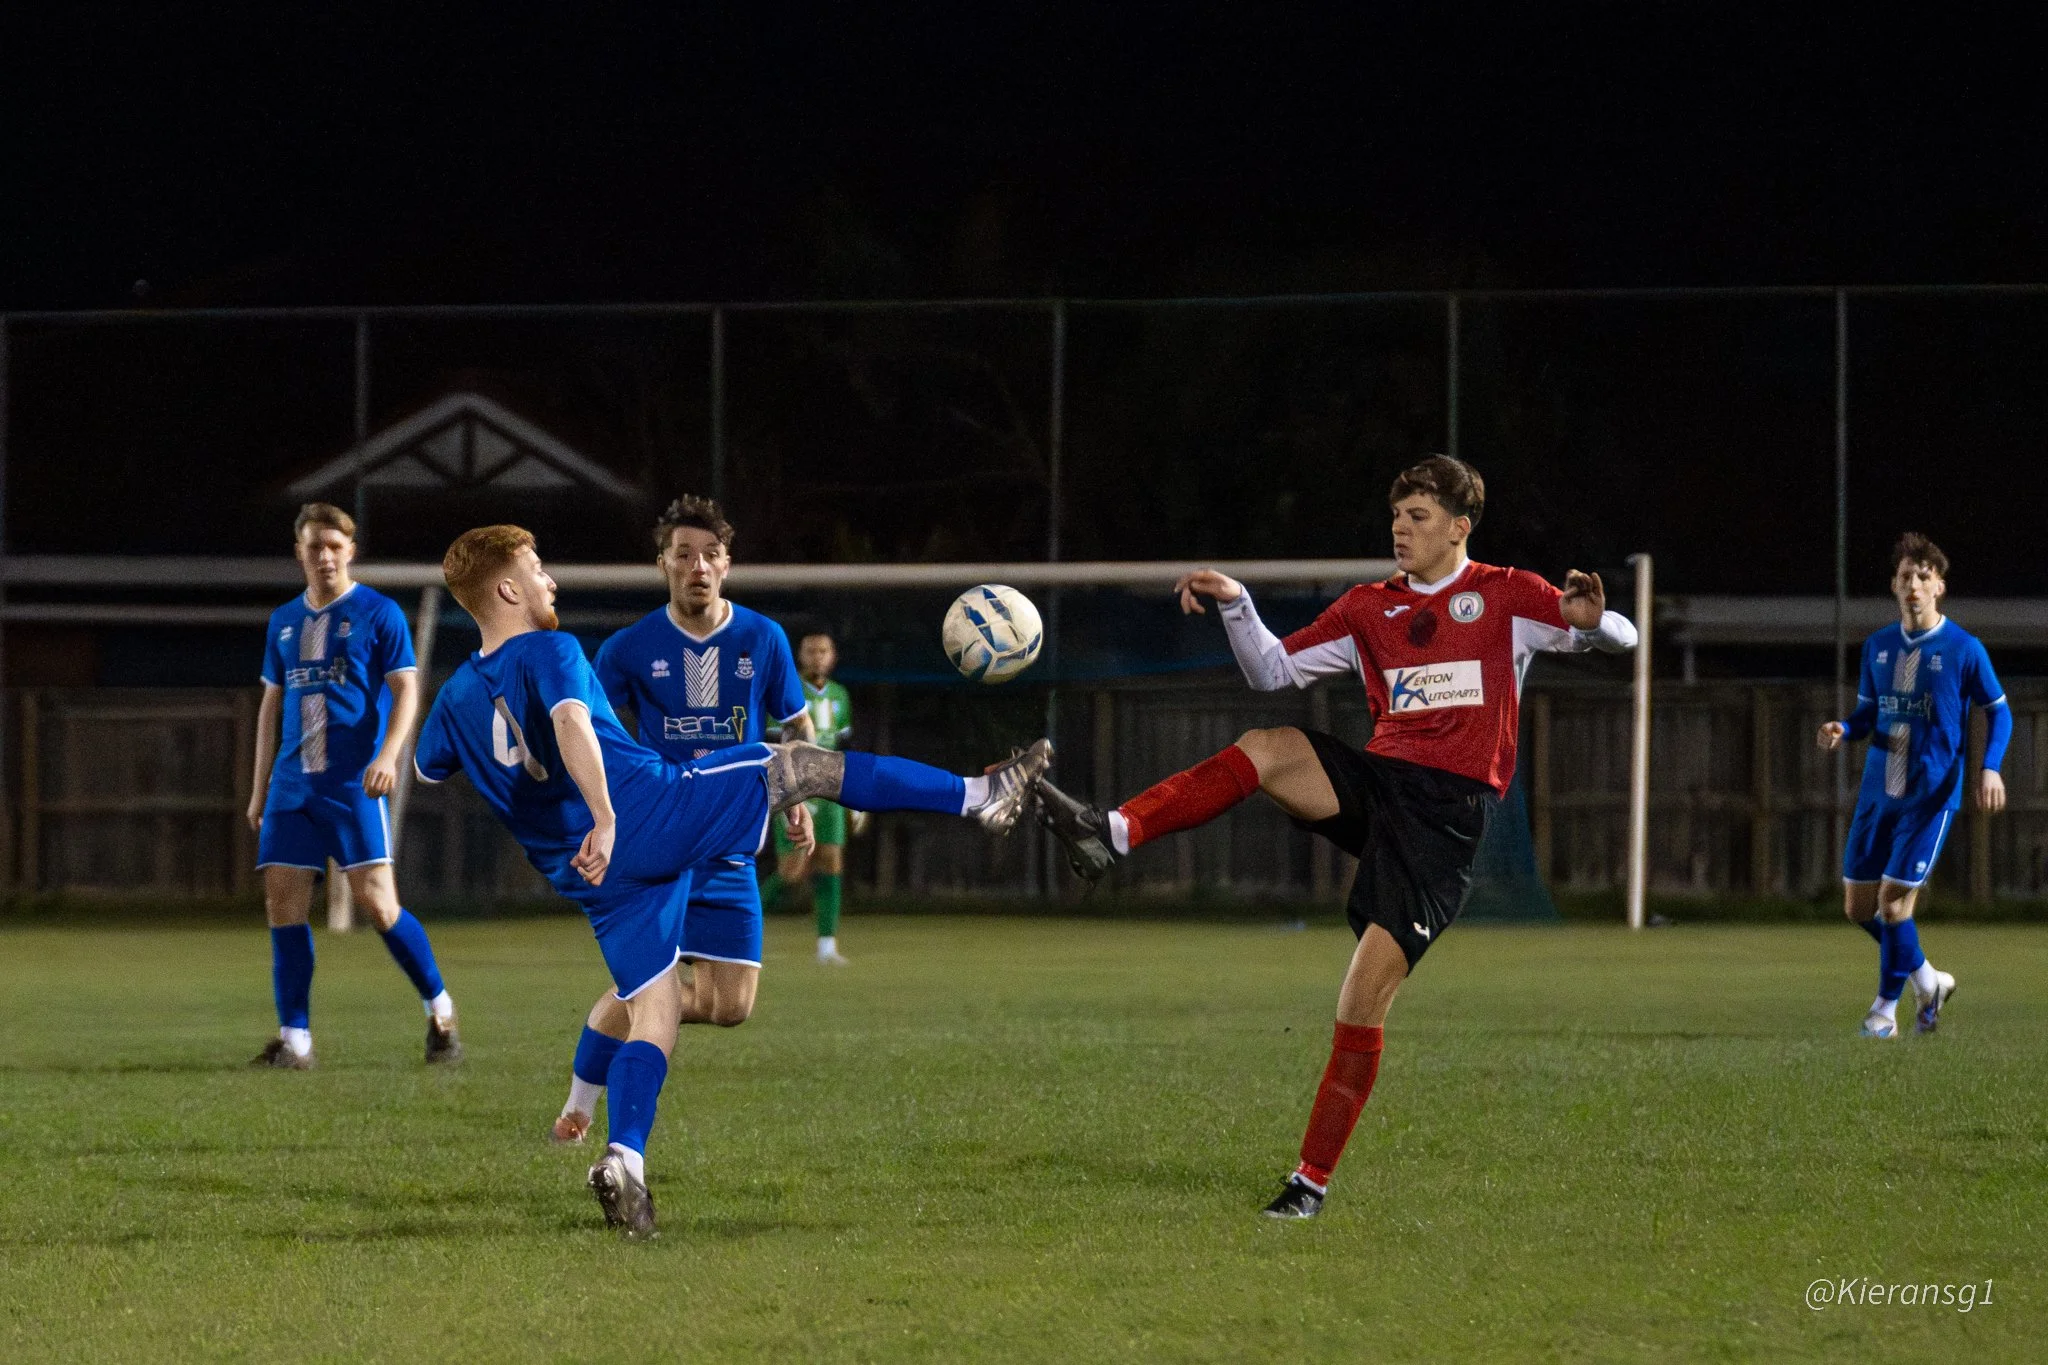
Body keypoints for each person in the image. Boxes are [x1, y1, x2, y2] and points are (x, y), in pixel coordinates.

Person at [1034, 456, 1637, 1219]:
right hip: (1381, 785)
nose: (1401, 529)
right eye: (1396, 517)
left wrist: (1593, 623)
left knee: (1358, 1002)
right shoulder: (1366, 608)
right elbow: (1271, 669)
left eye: (1418, 518)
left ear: (1459, 528)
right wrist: (1238, 601)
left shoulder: (1508, 594)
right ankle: (1113, 833)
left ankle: (1309, 1184)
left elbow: (1619, 635)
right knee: (1268, 744)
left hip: (1446, 822)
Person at [414, 525, 1049, 1238]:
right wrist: (604, 811)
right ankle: (978, 795)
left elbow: (429, 768)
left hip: (586, 873)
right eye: (536, 571)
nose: (550, 583)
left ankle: (624, 1156)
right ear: (507, 588)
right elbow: (569, 722)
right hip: (641, 812)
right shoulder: (552, 649)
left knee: (654, 1010)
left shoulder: (455, 697)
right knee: (797, 763)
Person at [550, 496, 813, 1147]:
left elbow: (795, 726)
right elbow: (590, 732)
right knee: (651, 988)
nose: (698, 565)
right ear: (663, 561)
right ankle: (580, 1106)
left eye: (710, 554)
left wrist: (801, 794)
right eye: (684, 553)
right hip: (659, 841)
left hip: (729, 839)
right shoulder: (628, 648)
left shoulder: (763, 637)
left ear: (727, 563)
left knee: (731, 1007)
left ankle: (641, 997)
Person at [246, 502, 458, 1070]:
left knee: (379, 905)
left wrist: (389, 755)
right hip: (293, 787)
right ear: (300, 552)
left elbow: (408, 690)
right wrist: (259, 787)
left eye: (335, 547)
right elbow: (273, 703)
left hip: (352, 784)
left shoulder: (378, 613)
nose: (325, 556)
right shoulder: (284, 621)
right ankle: (296, 1042)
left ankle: (440, 1010)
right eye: (315, 546)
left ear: (351, 551)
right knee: (283, 905)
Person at [1817, 532, 2007, 1038]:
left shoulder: (1964, 649)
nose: (1914, 586)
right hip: (1878, 795)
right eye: (1906, 577)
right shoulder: (1878, 646)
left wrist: (1990, 766)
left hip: (1929, 800)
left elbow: (1999, 711)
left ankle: (1883, 1012)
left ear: (1939, 586)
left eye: (1924, 577)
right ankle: (1928, 980)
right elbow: (1866, 713)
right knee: (1858, 908)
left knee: (1893, 904)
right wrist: (1845, 728)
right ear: (1894, 586)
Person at [763, 630, 864, 964]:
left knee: (831, 861)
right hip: (794, 787)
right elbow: (775, 744)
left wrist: (855, 796)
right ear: (800, 655)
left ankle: (826, 947)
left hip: (830, 787)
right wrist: (784, 792)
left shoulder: (840, 695)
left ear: (832, 656)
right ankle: (738, 929)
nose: (817, 657)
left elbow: (843, 746)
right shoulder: (786, 691)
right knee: (792, 871)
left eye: (824, 650)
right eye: (810, 651)